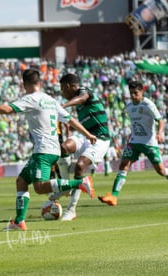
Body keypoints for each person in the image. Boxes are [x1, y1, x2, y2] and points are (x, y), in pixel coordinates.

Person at [0, 69, 96, 231]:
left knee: (40, 187)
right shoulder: (50, 100)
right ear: (40, 83)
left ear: (24, 85)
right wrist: (87, 133)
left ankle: (80, 183)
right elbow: (70, 120)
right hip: (53, 149)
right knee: (21, 181)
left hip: (43, 150)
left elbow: (8, 109)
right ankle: (19, 221)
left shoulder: (30, 99)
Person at [98, 80, 168, 206]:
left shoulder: (148, 104)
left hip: (149, 142)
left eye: (136, 93)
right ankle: (114, 197)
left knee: (161, 170)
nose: (133, 96)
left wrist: (160, 133)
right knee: (123, 165)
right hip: (134, 142)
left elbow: (161, 121)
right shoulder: (129, 106)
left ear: (142, 92)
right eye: (131, 93)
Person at [49, 73, 111, 221]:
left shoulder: (84, 91)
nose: (62, 93)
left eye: (63, 89)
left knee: (80, 166)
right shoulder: (77, 101)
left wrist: (63, 106)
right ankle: (66, 186)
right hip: (86, 136)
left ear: (69, 86)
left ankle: (71, 210)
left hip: (100, 140)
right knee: (63, 148)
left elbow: (82, 98)